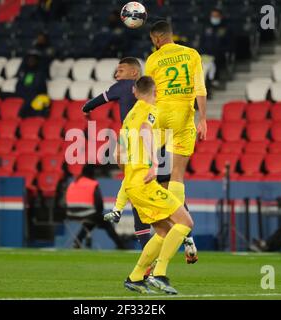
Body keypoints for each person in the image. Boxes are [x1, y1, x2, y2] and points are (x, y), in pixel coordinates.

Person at [81, 58, 197, 264]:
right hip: (159, 145)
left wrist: (86, 109)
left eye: (121, 70)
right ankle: (187, 237)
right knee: (167, 194)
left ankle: (146, 255)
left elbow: (96, 101)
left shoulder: (123, 87)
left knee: (139, 201)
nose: (117, 74)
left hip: (136, 151)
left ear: (134, 74)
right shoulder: (153, 94)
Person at [120, 76, 194, 295]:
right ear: (156, 92)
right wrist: (153, 163)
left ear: (134, 91)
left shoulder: (128, 116)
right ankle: (158, 274)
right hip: (145, 182)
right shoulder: (150, 109)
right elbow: (145, 130)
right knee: (185, 221)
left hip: (132, 184)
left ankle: (135, 277)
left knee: (163, 231)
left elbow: (118, 153)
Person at [145, 20, 207, 229]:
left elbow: (148, 95)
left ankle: (160, 225)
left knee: (149, 171)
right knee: (177, 174)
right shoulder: (192, 54)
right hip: (182, 114)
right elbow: (200, 88)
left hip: (159, 114)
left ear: (157, 38)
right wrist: (203, 119)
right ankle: (181, 228)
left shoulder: (153, 59)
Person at [65, 164, 126, 250]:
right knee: (106, 221)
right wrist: (99, 214)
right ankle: (121, 246)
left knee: (91, 222)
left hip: (71, 214)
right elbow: (99, 203)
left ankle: (77, 241)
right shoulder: (92, 184)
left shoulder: (73, 183)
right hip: (88, 214)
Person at [199, 8, 233, 87]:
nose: (214, 18)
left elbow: (229, 45)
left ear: (220, 17)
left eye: (216, 16)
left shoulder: (226, 29)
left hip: (219, 54)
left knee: (214, 61)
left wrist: (221, 51)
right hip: (205, 53)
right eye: (212, 16)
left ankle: (213, 80)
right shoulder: (206, 28)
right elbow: (202, 41)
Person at [15, 50, 48, 118]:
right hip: (24, 94)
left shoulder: (40, 73)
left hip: (35, 96)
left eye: (33, 59)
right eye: (29, 59)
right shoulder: (24, 72)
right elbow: (19, 86)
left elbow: (39, 88)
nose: (31, 61)